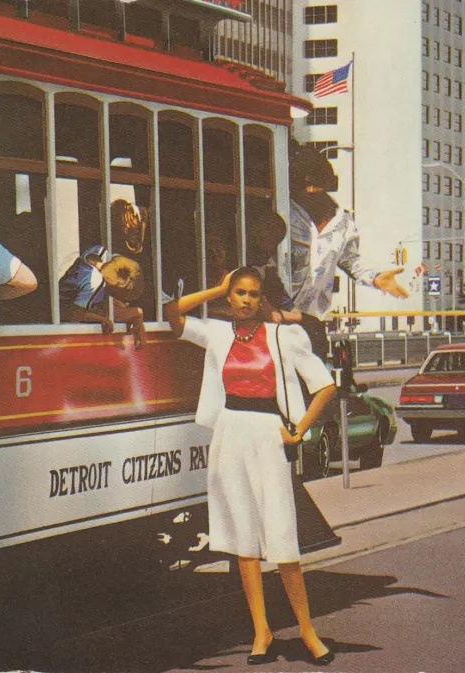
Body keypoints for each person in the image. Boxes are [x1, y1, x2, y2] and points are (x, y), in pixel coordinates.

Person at [165, 267, 337, 667]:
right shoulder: (218, 333)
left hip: (269, 435)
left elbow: (325, 385)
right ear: (230, 298)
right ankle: (261, 631)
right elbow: (172, 312)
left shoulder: (283, 337)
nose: (245, 299)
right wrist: (217, 286)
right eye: (238, 293)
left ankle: (308, 631)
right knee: (244, 541)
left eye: (252, 294)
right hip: (230, 434)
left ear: (262, 300)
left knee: (282, 538)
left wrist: (299, 431)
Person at [289, 143, 408, 358]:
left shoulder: (343, 221)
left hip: (313, 322)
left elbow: (350, 261)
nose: (309, 192)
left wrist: (376, 278)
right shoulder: (284, 213)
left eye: (315, 186)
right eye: (302, 187)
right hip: (279, 316)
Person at [59, 244, 146, 349]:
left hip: (77, 291)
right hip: (63, 306)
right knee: (131, 312)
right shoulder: (94, 283)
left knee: (128, 310)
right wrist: (102, 319)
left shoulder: (101, 252)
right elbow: (73, 314)